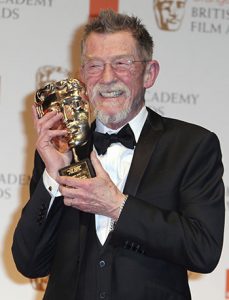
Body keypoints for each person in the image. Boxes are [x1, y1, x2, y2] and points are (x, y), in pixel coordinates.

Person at [12, 9, 225, 300]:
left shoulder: (193, 146)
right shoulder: (59, 149)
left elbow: (204, 251)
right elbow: (29, 262)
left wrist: (117, 206)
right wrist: (53, 176)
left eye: (122, 63)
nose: (107, 78)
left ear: (149, 73)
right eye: (95, 66)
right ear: (82, 77)